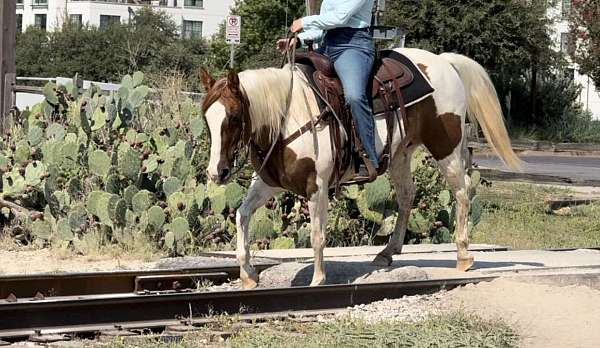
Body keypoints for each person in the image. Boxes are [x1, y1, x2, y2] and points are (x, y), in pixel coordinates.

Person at [277, 0, 378, 179]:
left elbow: (340, 17)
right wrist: (297, 40)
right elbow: (321, 28)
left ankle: (366, 156)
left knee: (354, 96)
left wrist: (304, 22)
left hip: (353, 45)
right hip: (327, 45)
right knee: (292, 78)